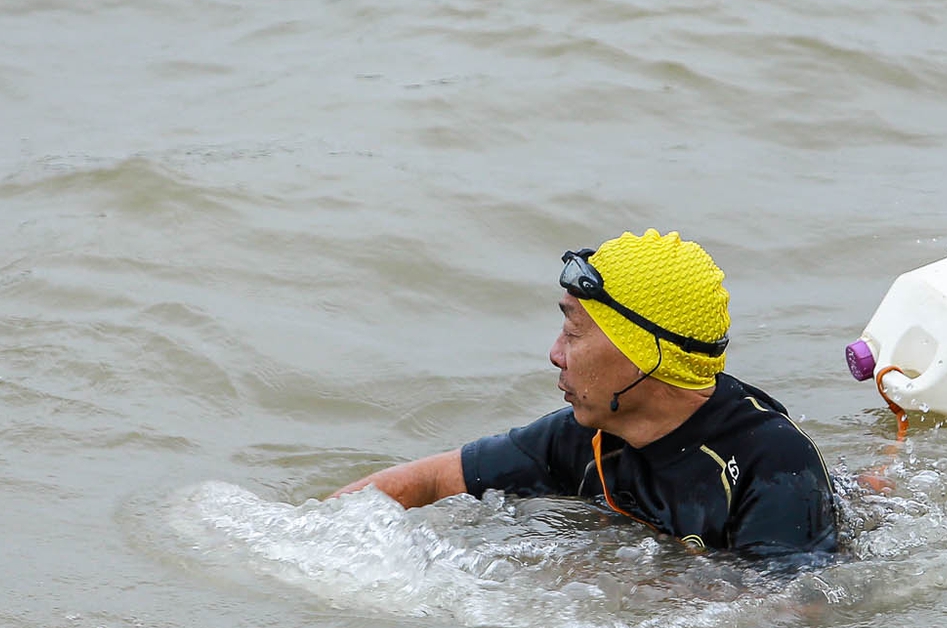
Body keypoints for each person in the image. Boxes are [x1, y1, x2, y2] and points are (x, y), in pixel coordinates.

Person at [333, 229, 839, 563]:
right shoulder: (586, 437)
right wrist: (313, 533)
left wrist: (617, 585)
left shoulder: (774, 464)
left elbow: (791, 611)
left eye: (573, 333)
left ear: (642, 352)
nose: (555, 354)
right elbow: (432, 478)